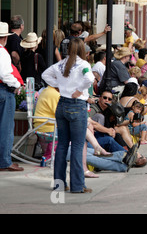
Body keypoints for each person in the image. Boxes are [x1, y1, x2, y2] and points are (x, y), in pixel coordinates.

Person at [42, 38, 95, 193]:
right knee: (78, 146)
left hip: (62, 104)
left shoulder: (60, 64)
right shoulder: (83, 65)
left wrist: (60, 86)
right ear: (81, 50)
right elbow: (89, 79)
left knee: (62, 145)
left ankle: (59, 184)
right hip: (77, 104)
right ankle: (78, 185)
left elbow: (45, 75)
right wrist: (79, 90)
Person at [0, 22, 24, 172]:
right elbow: (4, 74)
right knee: (6, 127)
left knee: (2, 125)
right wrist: (17, 85)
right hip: (1, 90)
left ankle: (3, 160)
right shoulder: (0, 51)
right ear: (4, 38)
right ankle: (5, 162)